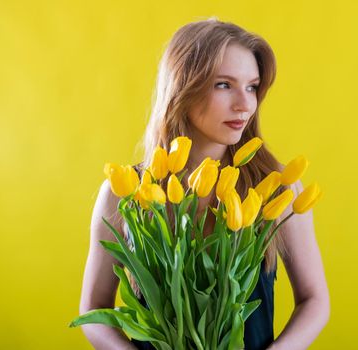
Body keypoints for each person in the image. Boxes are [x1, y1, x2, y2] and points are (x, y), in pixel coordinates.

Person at [78, 17, 330, 350]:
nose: (244, 104)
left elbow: (314, 300)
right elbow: (94, 311)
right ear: (184, 87)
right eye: (223, 85)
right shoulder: (125, 191)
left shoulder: (275, 189)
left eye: (252, 86)